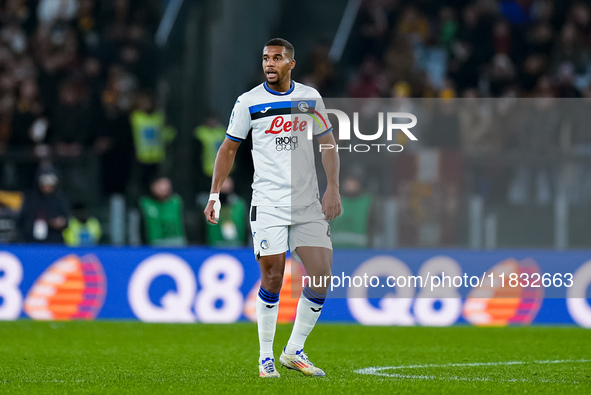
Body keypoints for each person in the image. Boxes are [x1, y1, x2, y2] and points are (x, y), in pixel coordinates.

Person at [204, 38, 341, 378]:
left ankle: (293, 351)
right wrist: (214, 194)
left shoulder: (310, 98)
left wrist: (333, 188)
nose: (270, 63)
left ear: (290, 64)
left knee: (322, 277)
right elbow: (228, 149)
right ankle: (266, 356)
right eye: (266, 57)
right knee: (273, 277)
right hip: (268, 203)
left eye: (277, 58)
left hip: (308, 203)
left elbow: (327, 144)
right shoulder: (249, 102)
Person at [17, 167, 69, 243]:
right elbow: (21, 221)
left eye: (51, 181)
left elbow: (66, 219)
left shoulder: (59, 199)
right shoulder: (30, 198)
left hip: (54, 241)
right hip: (30, 241)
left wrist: (60, 222)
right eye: (44, 180)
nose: (47, 184)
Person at [140, 176, 186, 246]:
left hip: (177, 242)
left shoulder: (177, 201)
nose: (164, 189)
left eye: (166, 186)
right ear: (153, 187)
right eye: (160, 186)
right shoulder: (145, 203)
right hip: (154, 242)